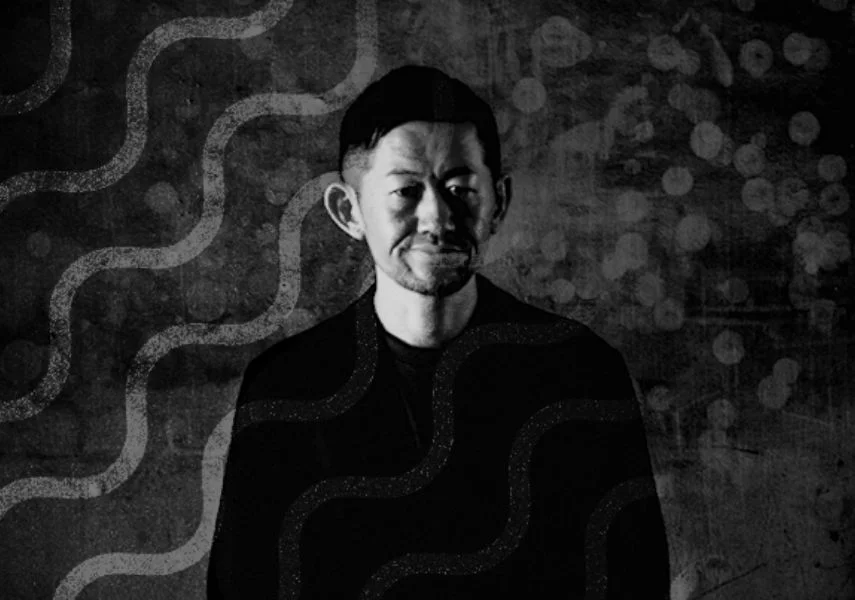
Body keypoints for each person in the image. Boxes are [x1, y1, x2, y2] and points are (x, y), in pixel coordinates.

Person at [207, 65, 671, 599]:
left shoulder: (581, 371)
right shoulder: (285, 387)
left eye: (459, 188)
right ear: (348, 210)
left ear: (498, 202)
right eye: (406, 191)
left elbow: (634, 580)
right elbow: (245, 585)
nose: (437, 217)